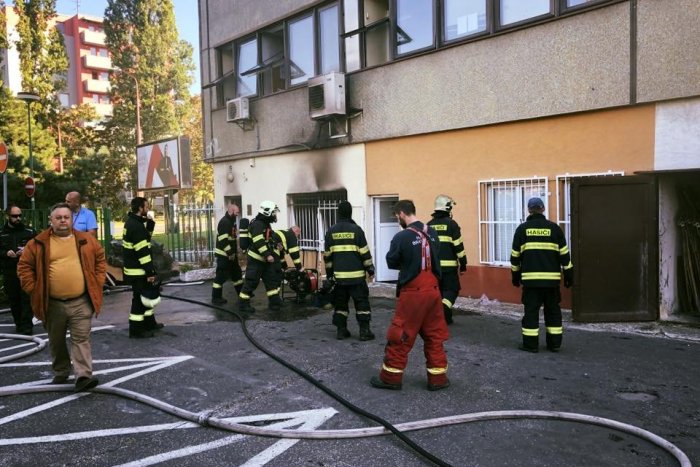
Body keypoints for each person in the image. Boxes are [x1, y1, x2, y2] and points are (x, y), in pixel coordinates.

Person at [17, 202, 105, 392]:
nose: (63, 220)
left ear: (71, 219)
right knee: (56, 340)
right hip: (52, 303)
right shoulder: (38, 243)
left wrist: (97, 282)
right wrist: (34, 289)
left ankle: (83, 376)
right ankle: (61, 370)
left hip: (81, 301)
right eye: (58, 218)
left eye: (66, 217)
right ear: (51, 220)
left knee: (81, 338)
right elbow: (24, 267)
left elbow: (100, 260)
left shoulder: (86, 240)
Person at [370, 200, 449, 391]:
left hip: (413, 293)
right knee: (434, 335)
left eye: (397, 217)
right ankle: (438, 379)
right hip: (433, 291)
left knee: (401, 334)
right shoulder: (432, 232)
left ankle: (390, 377)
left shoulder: (402, 236)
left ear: (401, 214)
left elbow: (392, 261)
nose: (398, 220)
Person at [510, 197, 573, 353]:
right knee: (553, 312)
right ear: (543, 209)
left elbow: (515, 256)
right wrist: (569, 274)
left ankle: (531, 345)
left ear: (529, 210)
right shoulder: (555, 229)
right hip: (551, 282)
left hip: (531, 282)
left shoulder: (522, 229)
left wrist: (515, 276)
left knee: (531, 312)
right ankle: (554, 344)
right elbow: (565, 255)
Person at [323, 201, 376, 341]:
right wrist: (370, 269)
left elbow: (327, 257)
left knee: (340, 305)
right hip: (357, 278)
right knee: (362, 303)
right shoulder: (357, 230)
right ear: (350, 213)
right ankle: (364, 332)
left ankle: (341, 331)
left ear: (338, 213)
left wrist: (329, 276)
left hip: (339, 279)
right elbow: (364, 253)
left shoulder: (331, 231)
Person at [123, 197, 161, 338]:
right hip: (138, 270)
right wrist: (150, 272)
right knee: (139, 300)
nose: (148, 208)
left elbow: (144, 240)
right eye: (146, 206)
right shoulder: (136, 226)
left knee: (147, 297)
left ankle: (150, 324)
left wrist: (150, 226)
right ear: (140, 208)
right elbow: (143, 252)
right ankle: (136, 330)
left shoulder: (133, 223)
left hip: (135, 269)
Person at [427, 194, 467, 324]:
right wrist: (463, 264)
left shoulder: (428, 226)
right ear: (447, 208)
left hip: (432, 268)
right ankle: (444, 310)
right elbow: (459, 247)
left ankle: (446, 317)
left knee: (438, 292)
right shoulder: (452, 225)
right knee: (451, 291)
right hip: (449, 268)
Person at [238, 201, 283, 313]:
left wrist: (277, 244)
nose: (274, 215)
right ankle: (243, 304)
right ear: (267, 212)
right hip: (256, 260)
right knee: (251, 282)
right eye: (273, 213)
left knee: (271, 281)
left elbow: (269, 236)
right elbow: (259, 242)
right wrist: (268, 255)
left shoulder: (265, 224)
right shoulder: (257, 224)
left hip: (264, 260)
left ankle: (274, 302)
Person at [0, 205, 36, 335]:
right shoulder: (2, 233)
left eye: (20, 215)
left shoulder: (29, 231)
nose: (18, 218)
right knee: (14, 299)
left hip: (26, 270)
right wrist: (5, 253)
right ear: (7, 216)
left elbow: (39, 248)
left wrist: (27, 250)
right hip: (9, 270)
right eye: (15, 216)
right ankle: (19, 324)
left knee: (26, 298)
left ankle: (27, 326)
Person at [212, 203, 244, 305]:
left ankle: (242, 295)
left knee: (237, 274)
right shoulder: (225, 222)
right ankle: (216, 298)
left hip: (231, 255)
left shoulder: (231, 221)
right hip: (224, 256)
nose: (238, 215)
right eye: (237, 212)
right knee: (220, 276)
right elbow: (223, 240)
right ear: (231, 211)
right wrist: (230, 253)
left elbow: (231, 238)